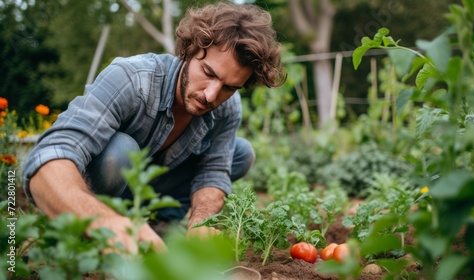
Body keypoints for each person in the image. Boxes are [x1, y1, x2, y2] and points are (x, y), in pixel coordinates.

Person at [23, 2, 286, 252]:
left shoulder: (228, 106)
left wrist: (201, 222)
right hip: (101, 191)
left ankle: (160, 228)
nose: (211, 95)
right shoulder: (131, 79)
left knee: (240, 153)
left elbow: (213, 171)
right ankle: (85, 233)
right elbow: (51, 155)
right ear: (189, 51)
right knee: (120, 151)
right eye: (208, 73)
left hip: (154, 189)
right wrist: (103, 222)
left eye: (229, 87)